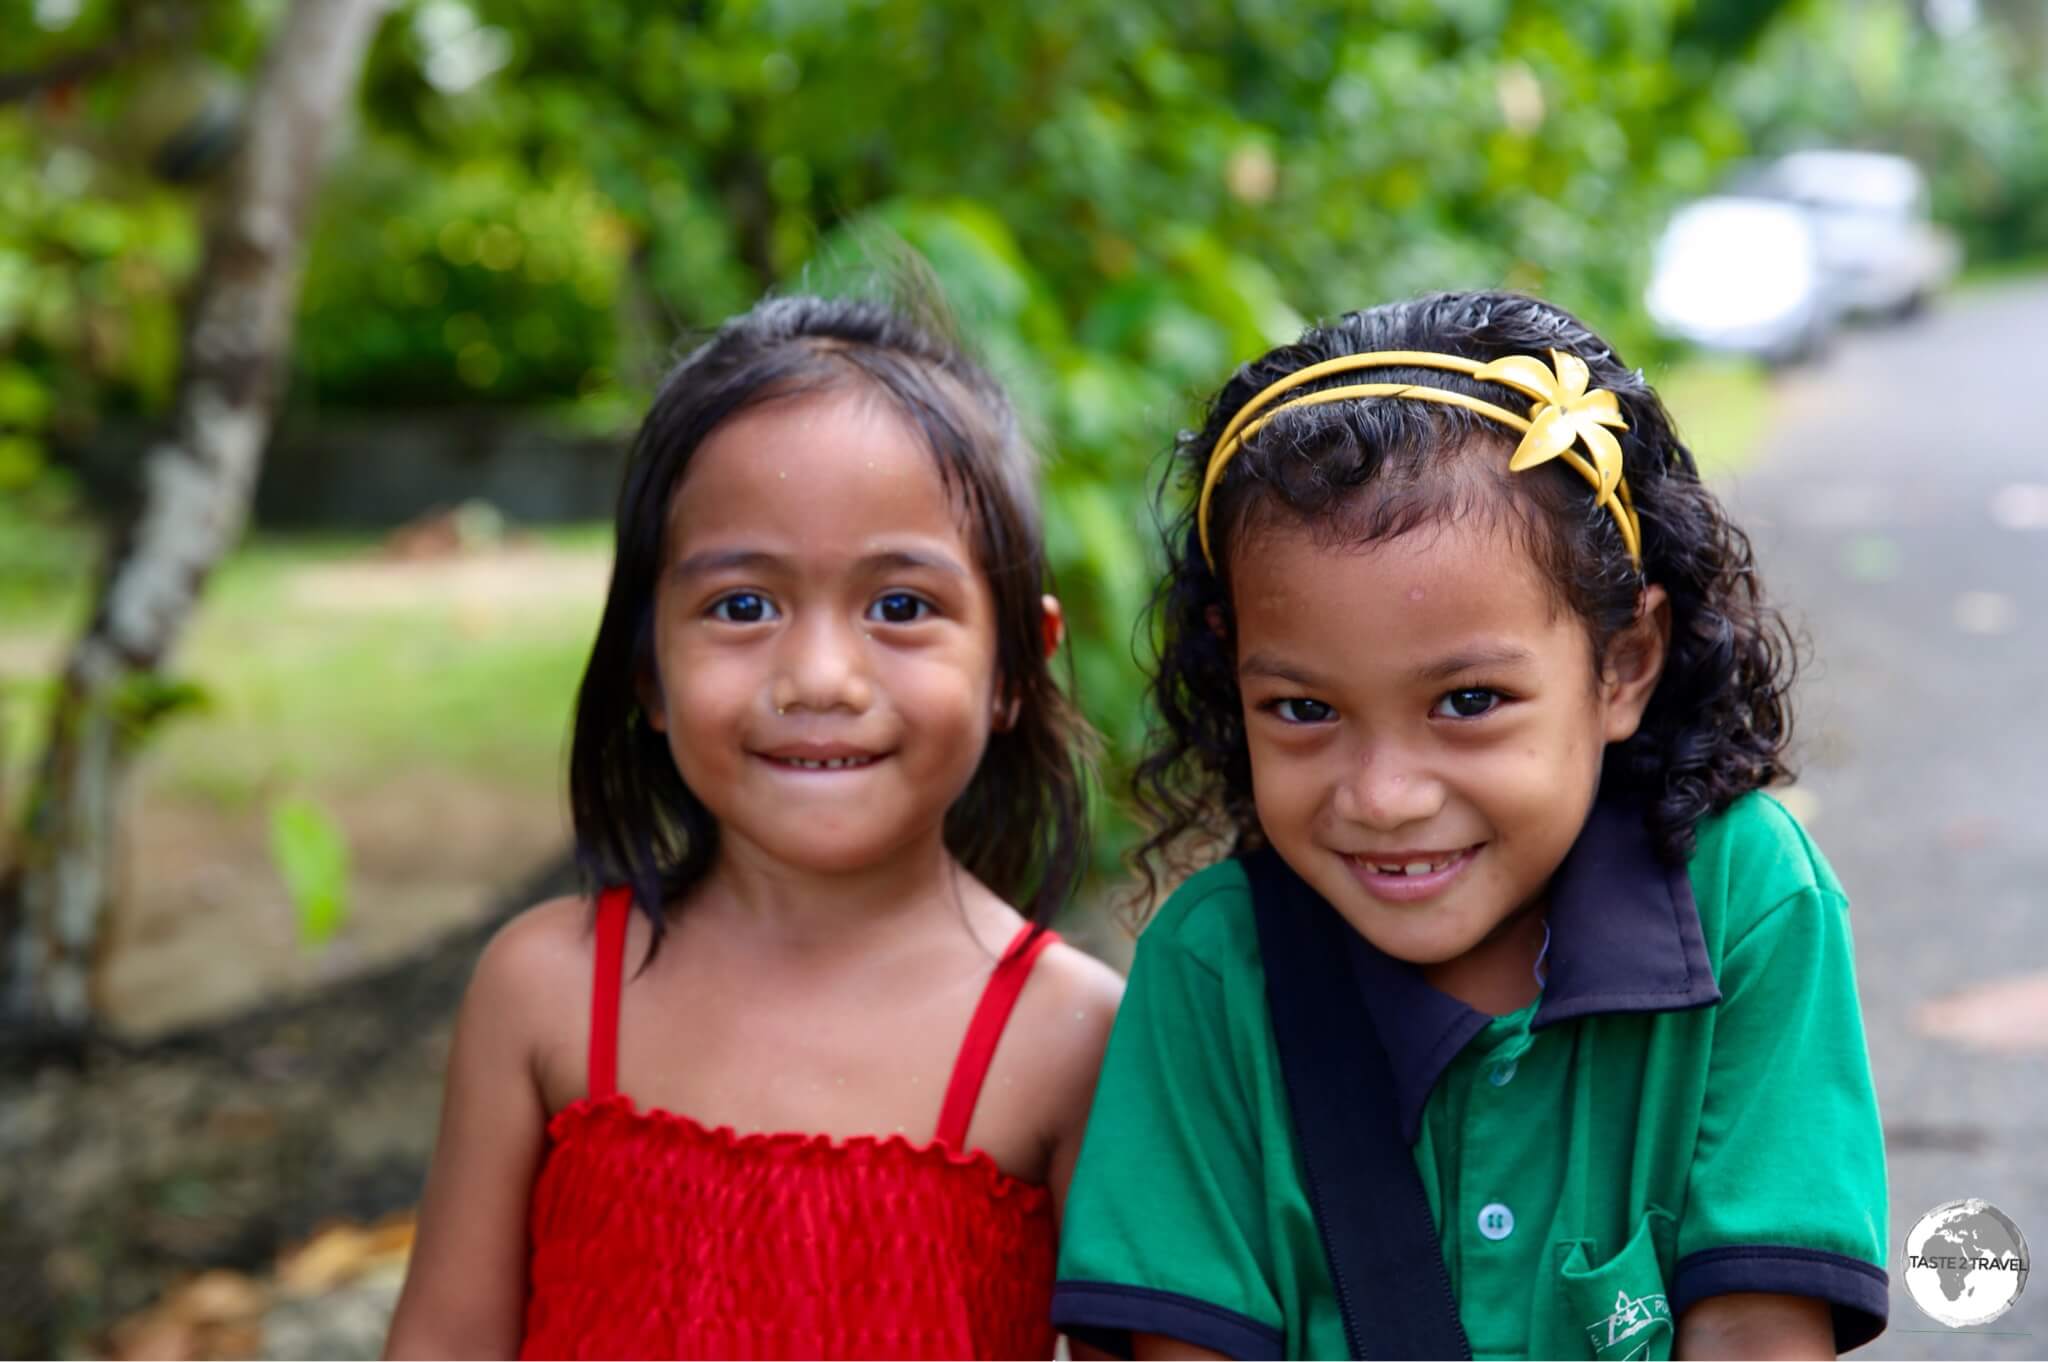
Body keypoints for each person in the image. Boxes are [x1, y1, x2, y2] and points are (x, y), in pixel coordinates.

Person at [1052, 292, 1887, 1360]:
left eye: (1467, 702)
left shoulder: (1745, 899)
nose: (1384, 795)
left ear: (1621, 664)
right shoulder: (1216, 968)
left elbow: (1757, 1331)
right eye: (1304, 711)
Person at [385, 292, 1123, 1360]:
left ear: (1014, 663)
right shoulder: (543, 995)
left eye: (900, 606)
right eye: (742, 606)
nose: (818, 678)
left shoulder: (1069, 1038)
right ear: (647, 667)